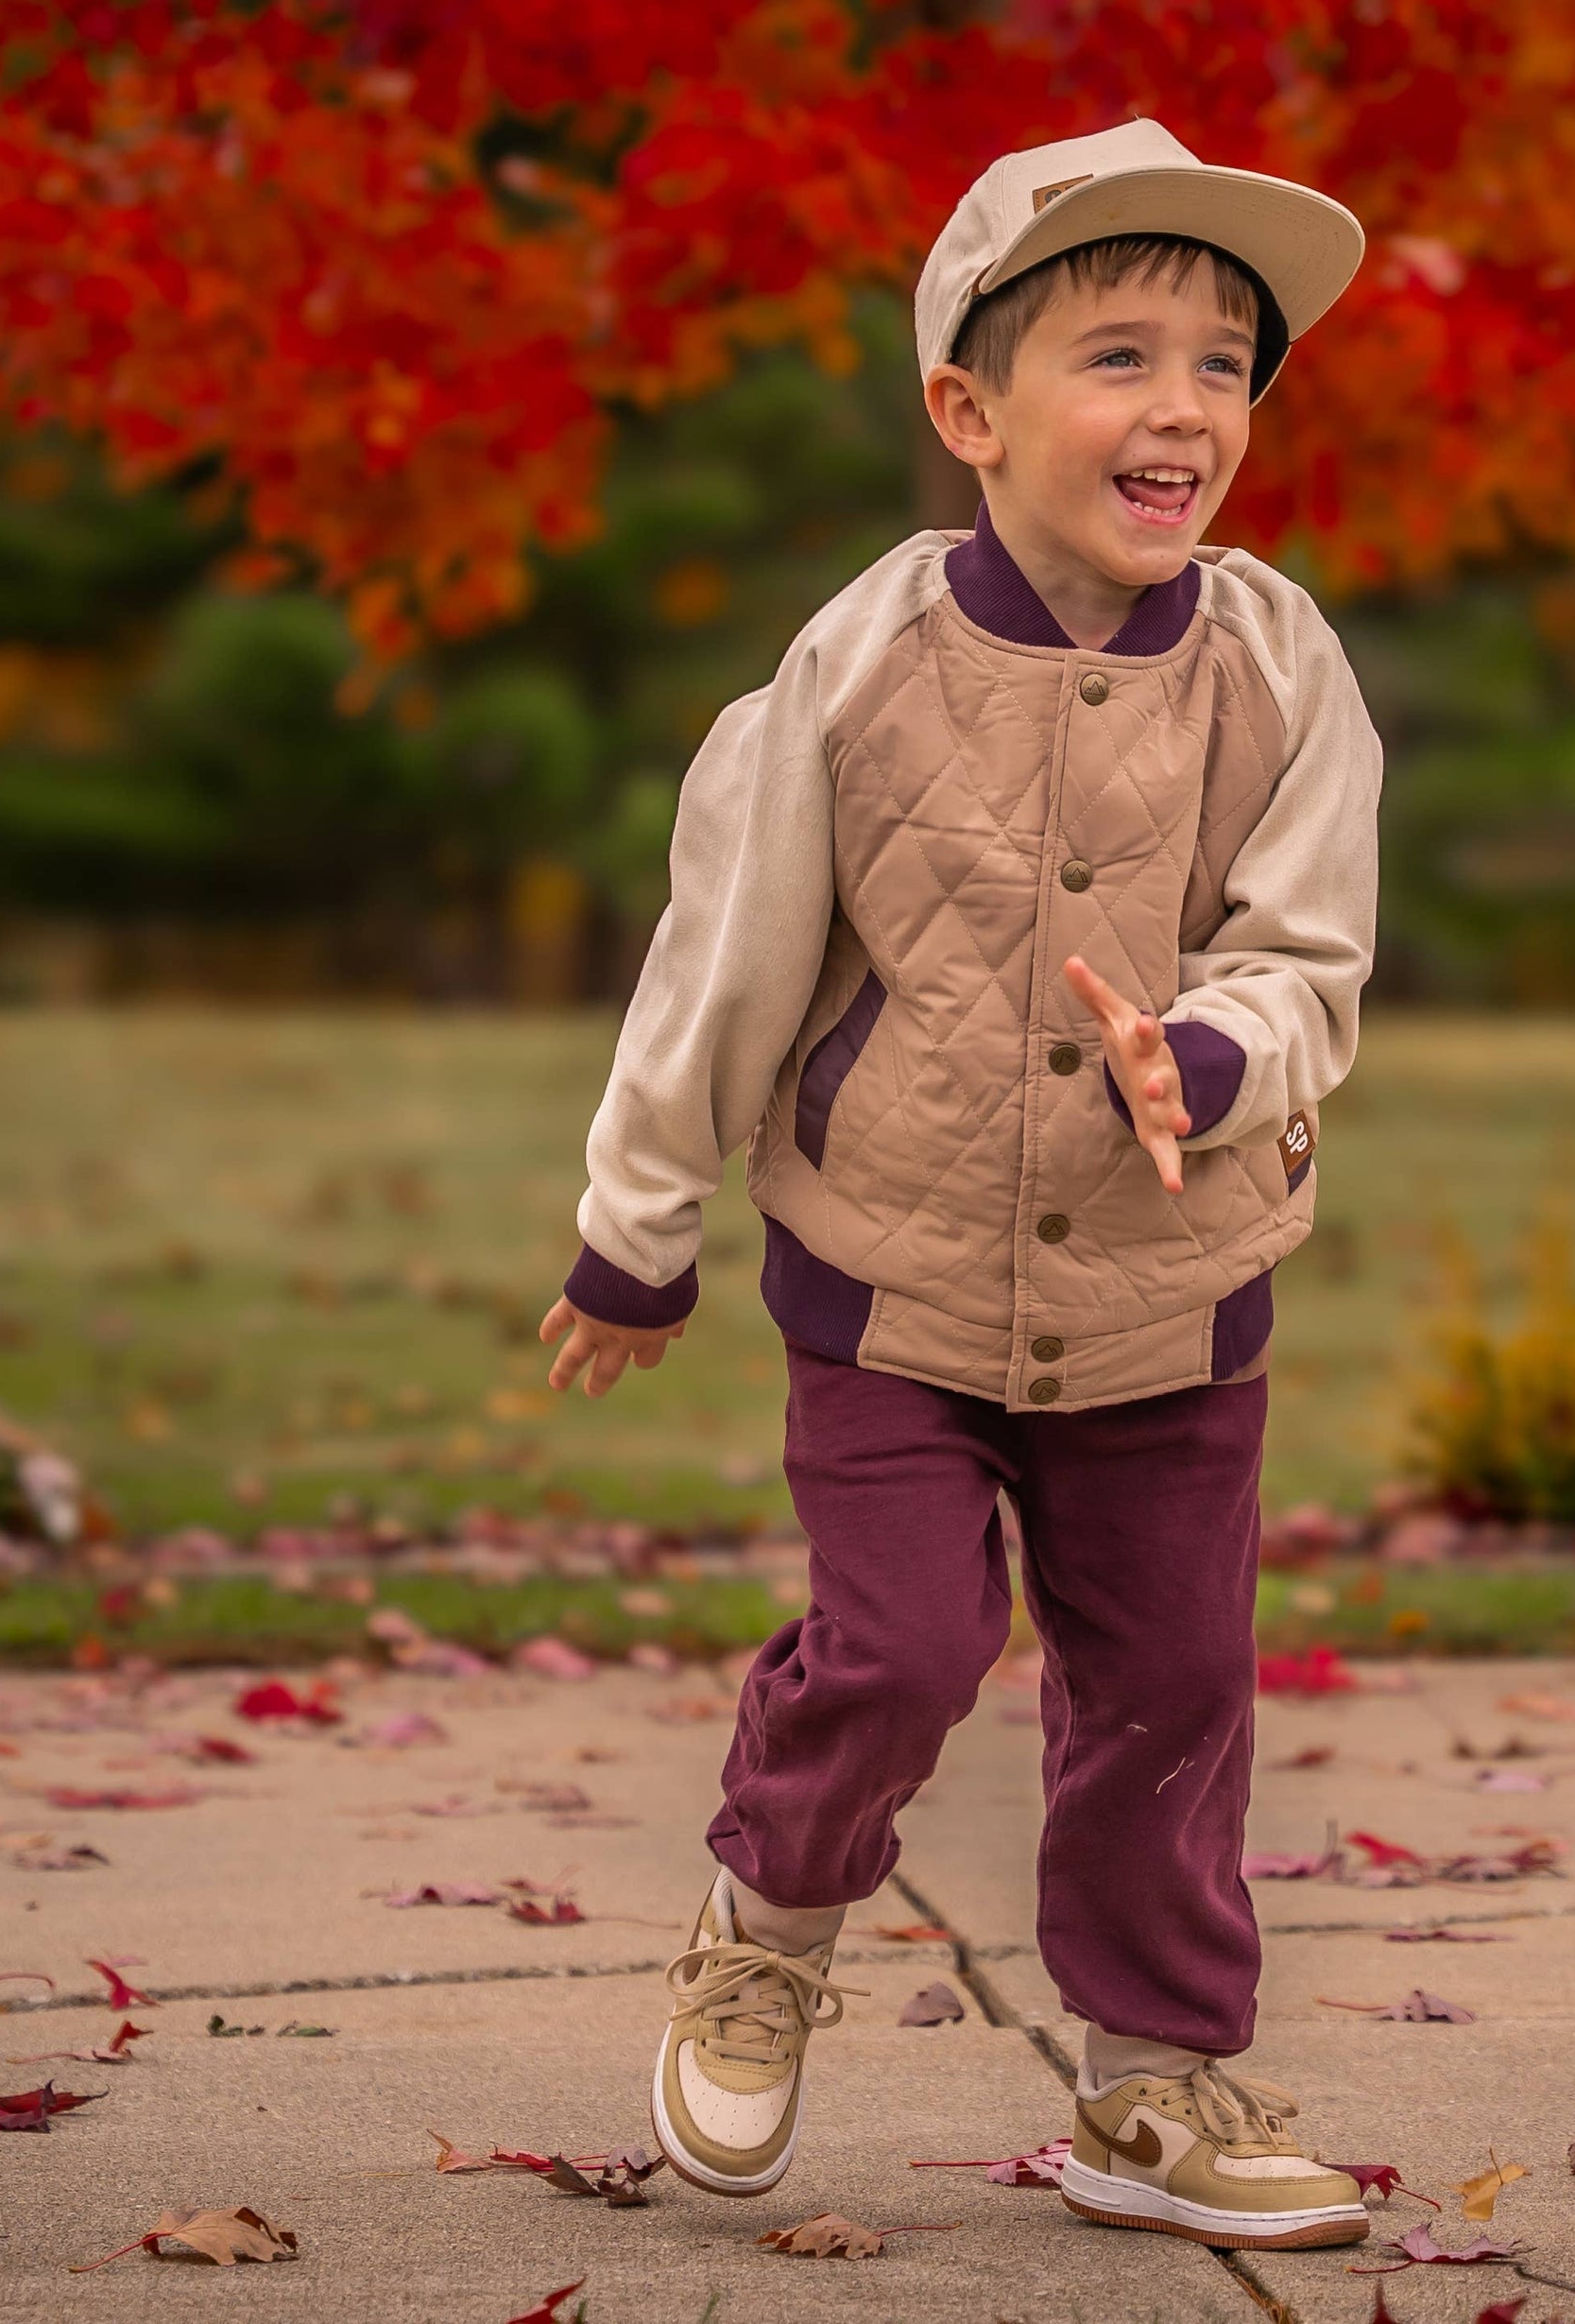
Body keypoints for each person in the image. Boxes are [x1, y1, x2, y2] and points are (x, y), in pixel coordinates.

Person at [538, 117, 1386, 2251]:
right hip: (892, 1271)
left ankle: (1155, 2092)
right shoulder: (855, 669)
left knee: (1173, 1682)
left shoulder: (1282, 664)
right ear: (969, 411)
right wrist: (639, 1233)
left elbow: (1313, 956)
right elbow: (718, 966)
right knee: (904, 1645)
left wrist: (1214, 1045)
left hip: (1168, 1290)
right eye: (1120, 355)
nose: (1184, 405)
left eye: (1224, 365)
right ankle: (769, 1926)